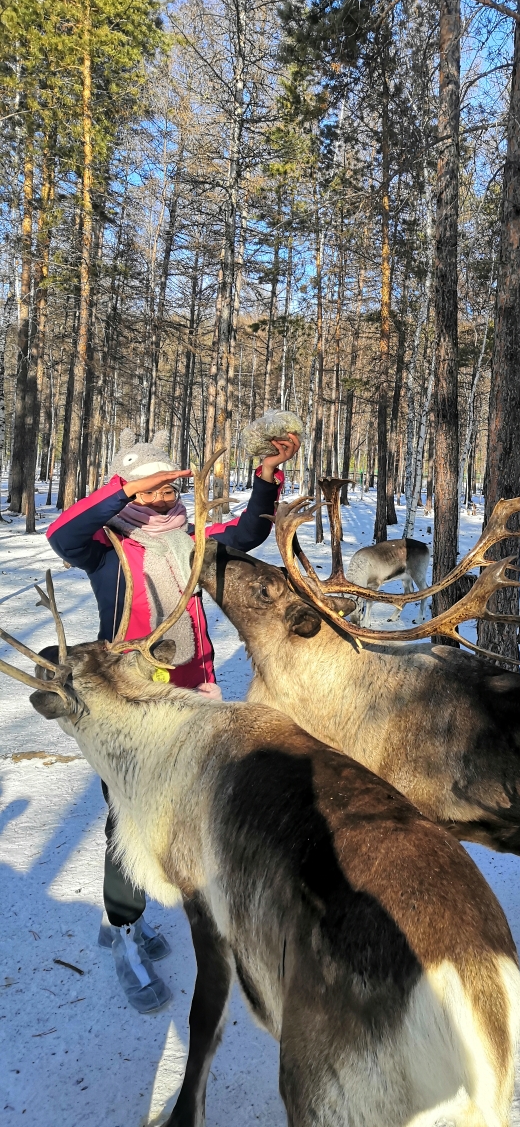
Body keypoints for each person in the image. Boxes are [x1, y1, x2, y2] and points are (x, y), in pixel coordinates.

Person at [46, 422, 302, 1013]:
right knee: (127, 817)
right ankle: (123, 930)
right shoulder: (105, 545)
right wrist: (126, 491)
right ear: (127, 490)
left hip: (191, 696)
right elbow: (63, 534)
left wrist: (265, 477)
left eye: (167, 487)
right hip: (129, 703)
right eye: (152, 489)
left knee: (181, 806)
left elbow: (246, 533)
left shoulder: (188, 538)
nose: (164, 497)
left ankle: (126, 914)